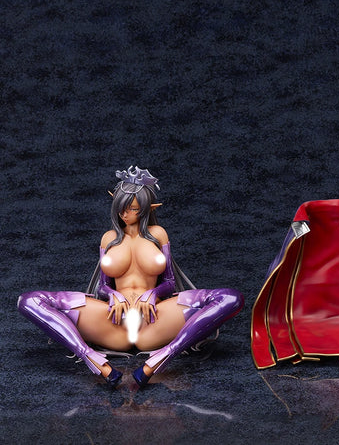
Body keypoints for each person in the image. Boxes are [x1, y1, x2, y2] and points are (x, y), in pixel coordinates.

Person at [17, 166, 243, 388]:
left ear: (146, 208)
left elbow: (170, 283)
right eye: (121, 208)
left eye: (133, 209)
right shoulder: (109, 238)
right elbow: (103, 285)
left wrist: (153, 293)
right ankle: (93, 360)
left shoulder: (158, 234)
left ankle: (161, 358)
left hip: (153, 319)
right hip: (114, 321)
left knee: (230, 298)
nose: (125, 214)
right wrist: (112, 295)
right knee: (29, 301)